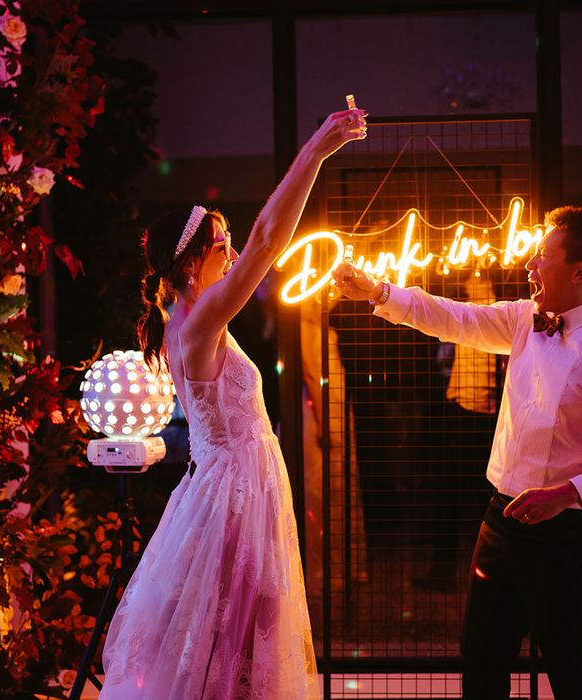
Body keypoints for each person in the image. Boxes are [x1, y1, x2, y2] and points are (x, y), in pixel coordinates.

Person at [332, 206, 582, 699]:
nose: (530, 264)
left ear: (581, 270)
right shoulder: (522, 318)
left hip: (563, 534)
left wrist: (568, 494)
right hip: (499, 518)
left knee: (570, 668)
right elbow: (454, 318)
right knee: (481, 661)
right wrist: (380, 293)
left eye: (542, 255)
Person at [99, 105, 367, 700]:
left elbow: (262, 242)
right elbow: (272, 238)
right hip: (233, 496)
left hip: (239, 485)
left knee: (240, 637)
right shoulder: (200, 322)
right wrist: (318, 151)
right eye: (223, 246)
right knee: (234, 637)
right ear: (192, 263)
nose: (232, 252)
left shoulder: (196, 317)